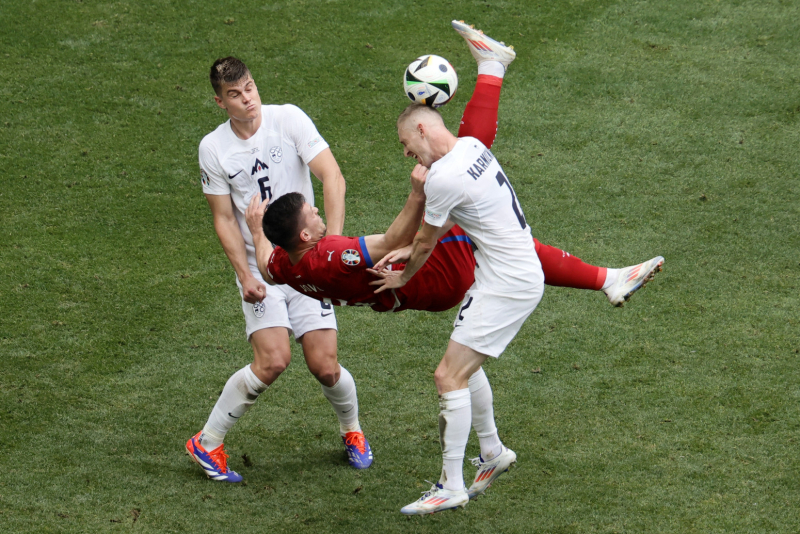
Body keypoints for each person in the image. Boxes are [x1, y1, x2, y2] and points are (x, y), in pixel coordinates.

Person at [370, 21, 662, 515]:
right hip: (509, 273)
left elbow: (424, 241)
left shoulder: (441, 177)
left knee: (447, 376)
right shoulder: (473, 149)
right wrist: (412, 248)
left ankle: (451, 486)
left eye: (405, 144)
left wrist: (402, 275)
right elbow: (450, 220)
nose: (406, 154)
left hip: (506, 283)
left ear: (422, 128)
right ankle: (491, 453)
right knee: (464, 367)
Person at [185, 56, 371, 484]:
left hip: (306, 263)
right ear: (220, 102)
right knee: (272, 360)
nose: (247, 99)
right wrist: (245, 275)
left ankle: (352, 430)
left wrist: (330, 247)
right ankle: (207, 442)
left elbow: (333, 177)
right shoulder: (213, 148)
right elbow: (223, 218)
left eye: (249, 87)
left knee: (325, 366)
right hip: (260, 266)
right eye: (235, 94)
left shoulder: (288, 120)